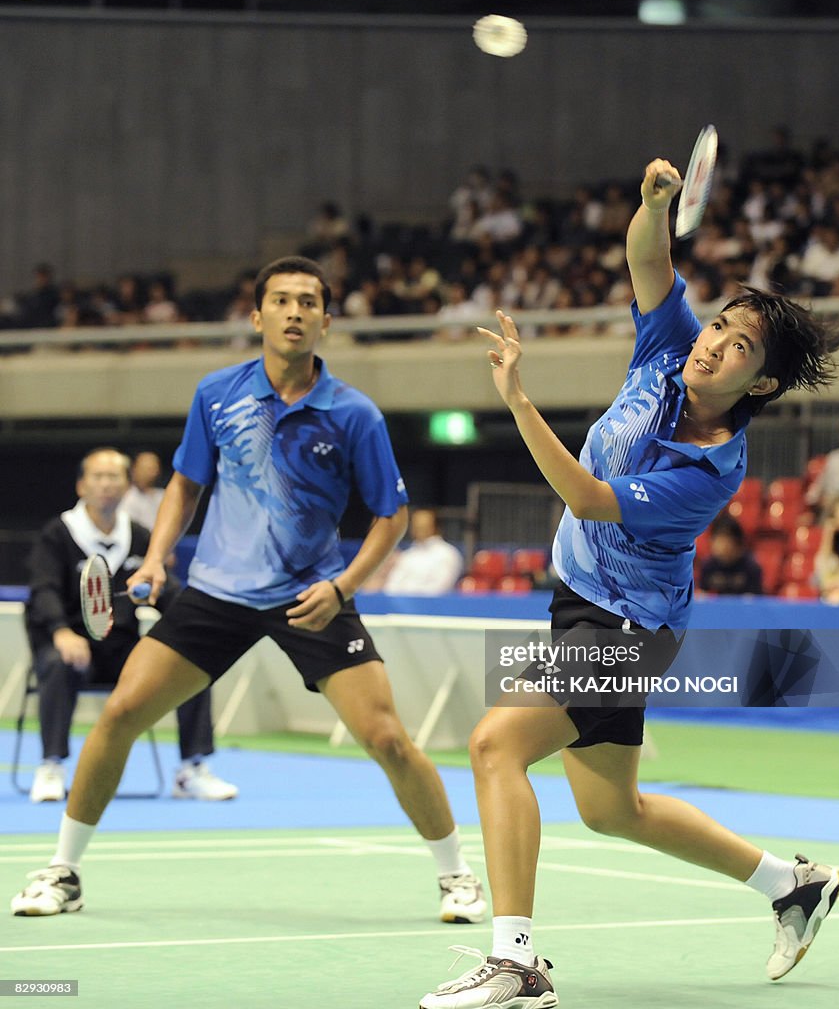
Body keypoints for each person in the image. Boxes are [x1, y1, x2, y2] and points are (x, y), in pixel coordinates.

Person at [419, 157, 839, 1008]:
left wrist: (517, 401)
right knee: (613, 812)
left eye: (737, 348)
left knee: (493, 746)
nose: (712, 344)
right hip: (579, 603)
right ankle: (791, 885)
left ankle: (515, 963)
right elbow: (647, 262)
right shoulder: (665, 351)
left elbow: (586, 496)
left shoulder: (710, 470)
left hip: (625, 629)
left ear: (757, 383)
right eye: (717, 326)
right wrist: (654, 205)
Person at [11, 257, 484, 927]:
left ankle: (457, 877)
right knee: (120, 714)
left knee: (386, 738)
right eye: (281, 301)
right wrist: (156, 556)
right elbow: (185, 483)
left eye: (308, 302)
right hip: (217, 594)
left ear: (326, 319)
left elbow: (391, 516)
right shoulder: (217, 394)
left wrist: (344, 585)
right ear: (257, 316)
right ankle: (64, 869)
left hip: (309, 595)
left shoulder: (354, 415)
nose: (295, 312)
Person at [24, 448, 236, 804]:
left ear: (126, 486)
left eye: (114, 477)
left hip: (123, 650)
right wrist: (61, 630)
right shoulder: (58, 534)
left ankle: (191, 770)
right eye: (98, 476)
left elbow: (166, 590)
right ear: (81, 486)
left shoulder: (139, 536)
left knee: (193, 664)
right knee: (60, 665)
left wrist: (199, 626)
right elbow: (42, 590)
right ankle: (51, 767)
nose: (106, 484)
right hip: (70, 646)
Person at [368, 508, 464, 595]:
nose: (419, 529)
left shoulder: (448, 553)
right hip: (401, 607)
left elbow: (440, 588)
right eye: (416, 525)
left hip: (432, 609)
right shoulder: (408, 555)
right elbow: (392, 586)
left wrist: (409, 595)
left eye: (423, 525)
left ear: (435, 527)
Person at [698, 513, 764, 595]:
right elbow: (702, 595)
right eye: (717, 540)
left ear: (736, 542)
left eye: (724, 540)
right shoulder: (708, 566)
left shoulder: (751, 568)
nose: (720, 546)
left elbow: (756, 599)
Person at [119, 450, 166, 532]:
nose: (151, 473)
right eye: (145, 468)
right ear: (134, 470)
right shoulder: (125, 496)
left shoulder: (165, 496)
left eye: (153, 468)